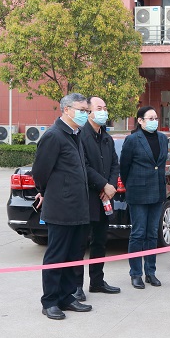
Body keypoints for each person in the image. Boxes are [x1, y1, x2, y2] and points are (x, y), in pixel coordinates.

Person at [32, 93, 93, 320]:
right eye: (81, 110)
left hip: (78, 207)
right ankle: (50, 301)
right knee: (56, 255)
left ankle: (67, 296)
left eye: (87, 111)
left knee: (73, 255)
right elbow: (40, 172)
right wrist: (46, 191)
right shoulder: (54, 136)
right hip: (60, 208)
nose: (85, 114)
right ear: (66, 110)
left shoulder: (76, 135)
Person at [73, 96, 121, 302]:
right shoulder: (80, 136)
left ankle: (97, 281)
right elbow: (83, 166)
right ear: (89, 112)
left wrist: (110, 186)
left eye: (105, 108)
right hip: (86, 198)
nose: (103, 111)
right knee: (80, 244)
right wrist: (103, 185)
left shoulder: (106, 137)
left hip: (105, 198)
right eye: (98, 108)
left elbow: (115, 164)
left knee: (100, 241)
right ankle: (76, 286)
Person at [119, 106, 168, 289]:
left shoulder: (162, 138)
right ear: (140, 121)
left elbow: (161, 165)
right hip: (138, 193)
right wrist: (132, 184)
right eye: (150, 118)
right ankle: (136, 273)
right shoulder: (132, 140)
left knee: (152, 234)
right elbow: (124, 167)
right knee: (138, 234)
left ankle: (150, 272)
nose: (154, 121)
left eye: (156, 118)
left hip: (157, 192)